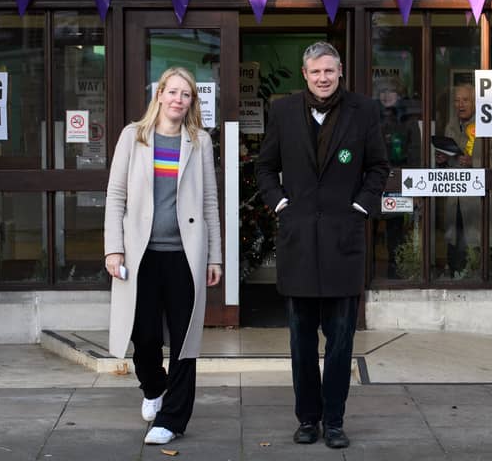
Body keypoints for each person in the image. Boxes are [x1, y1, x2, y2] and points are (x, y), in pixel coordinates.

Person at [255, 41, 389, 449]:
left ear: (340, 70)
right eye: (315, 72)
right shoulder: (282, 111)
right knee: (300, 341)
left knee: (341, 341)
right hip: (298, 243)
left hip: (342, 243)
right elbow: (264, 166)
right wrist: (279, 203)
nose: (323, 78)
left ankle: (334, 421)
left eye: (329, 71)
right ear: (305, 73)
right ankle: (307, 419)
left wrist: (360, 208)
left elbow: (379, 166)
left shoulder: (363, 110)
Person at [104, 67, 222, 445]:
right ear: (159, 96)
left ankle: (172, 419)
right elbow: (115, 196)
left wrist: (215, 257)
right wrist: (113, 248)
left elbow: (209, 202)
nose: (178, 100)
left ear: (192, 102)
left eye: (186, 95)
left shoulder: (199, 141)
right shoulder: (132, 136)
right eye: (173, 92)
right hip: (141, 256)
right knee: (145, 334)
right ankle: (153, 387)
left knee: (186, 340)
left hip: (185, 256)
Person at [436, 83, 492, 278]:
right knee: (457, 255)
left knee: (482, 261)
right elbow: (452, 159)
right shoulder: (451, 126)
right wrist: (443, 160)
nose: (460, 104)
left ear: (476, 102)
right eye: (457, 100)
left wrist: (474, 162)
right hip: (457, 201)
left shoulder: (489, 125)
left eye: (465, 100)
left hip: (481, 205)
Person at [375, 76, 421, 278]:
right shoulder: (372, 118)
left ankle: (395, 273)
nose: (386, 95)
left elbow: (415, 156)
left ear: (400, 95)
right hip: (373, 183)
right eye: (382, 92)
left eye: (391, 91)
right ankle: (369, 272)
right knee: (369, 229)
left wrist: (414, 189)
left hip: (399, 183)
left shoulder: (408, 121)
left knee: (395, 232)